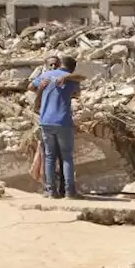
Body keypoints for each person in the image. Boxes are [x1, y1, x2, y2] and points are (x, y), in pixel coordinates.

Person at [33, 56, 82, 198]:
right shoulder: (71, 78)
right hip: (63, 121)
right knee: (67, 157)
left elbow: (31, 86)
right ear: (72, 68)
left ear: (59, 64)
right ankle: (69, 191)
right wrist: (67, 79)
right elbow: (77, 92)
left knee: (49, 157)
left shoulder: (46, 75)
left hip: (46, 121)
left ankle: (51, 191)